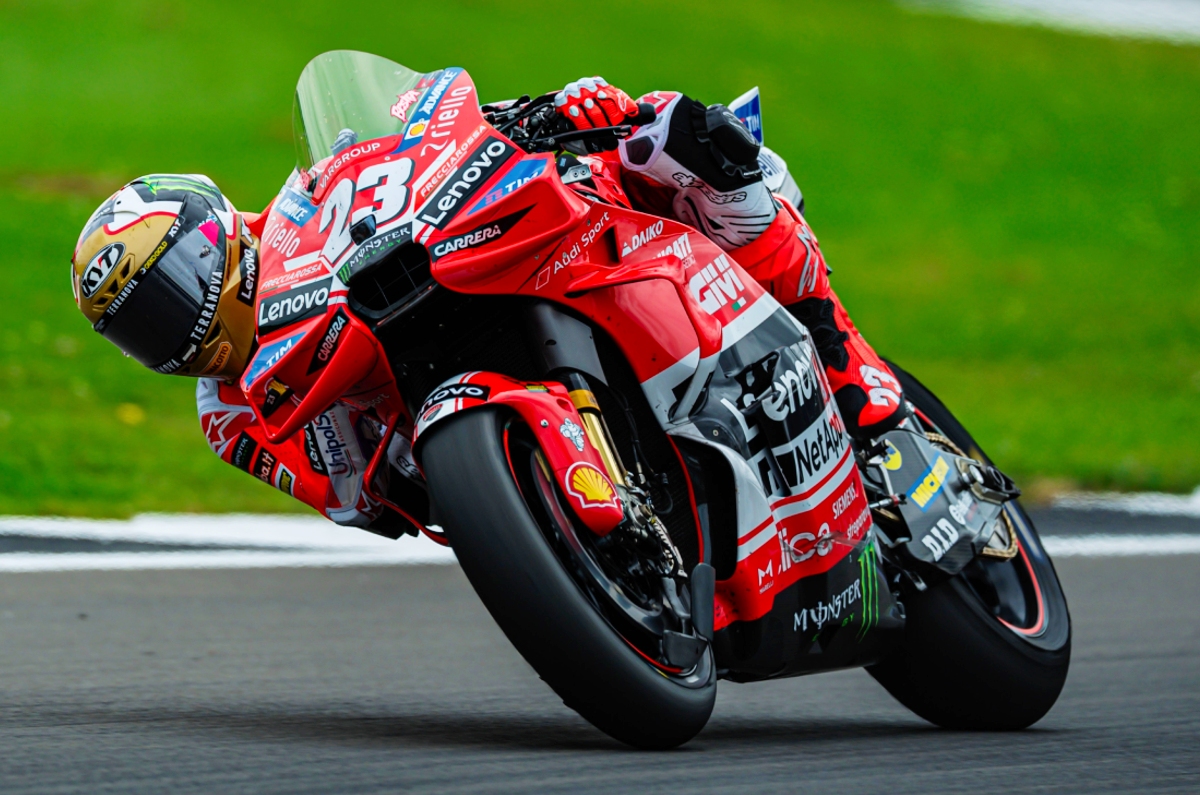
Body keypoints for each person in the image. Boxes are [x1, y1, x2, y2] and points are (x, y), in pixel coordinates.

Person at [68, 77, 905, 532]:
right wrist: (383, 467)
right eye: (141, 325)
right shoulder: (230, 408)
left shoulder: (304, 199)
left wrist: (541, 117)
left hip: (494, 257)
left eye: (170, 290)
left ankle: (845, 361)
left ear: (217, 237)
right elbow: (353, 497)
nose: (171, 327)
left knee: (668, 133)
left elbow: (423, 136)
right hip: (434, 418)